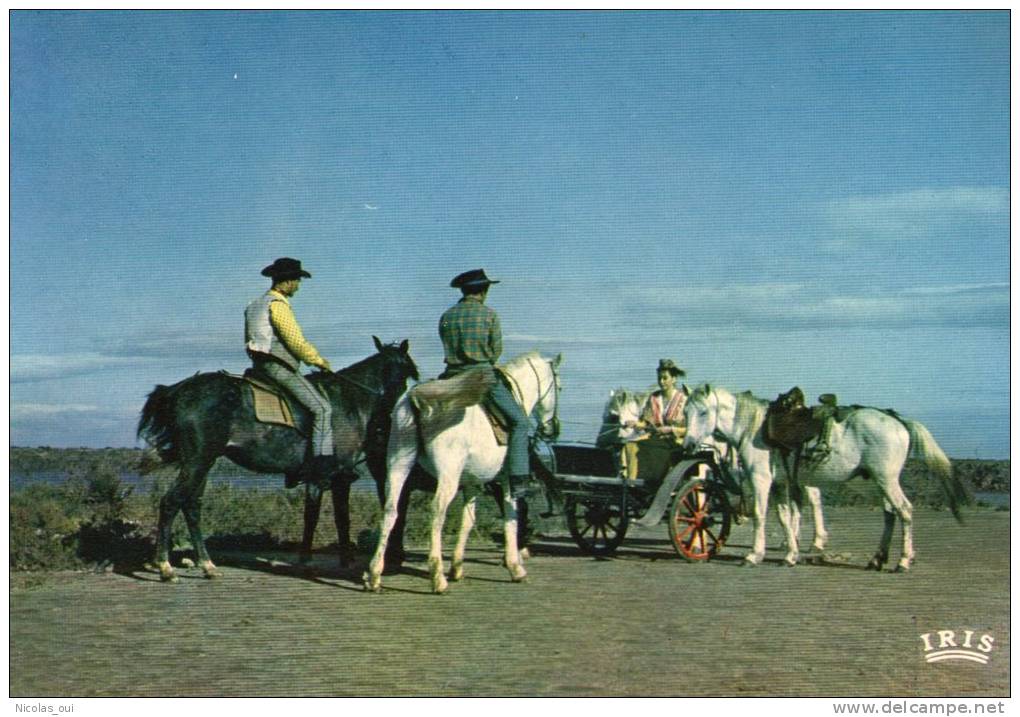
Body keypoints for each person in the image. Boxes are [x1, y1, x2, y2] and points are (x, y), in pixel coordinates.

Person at [439, 268, 531, 499]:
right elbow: (495, 352)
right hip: (481, 377)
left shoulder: (447, 316)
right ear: (483, 290)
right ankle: (519, 479)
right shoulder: (489, 315)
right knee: (520, 422)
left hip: (450, 377)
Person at [245, 257, 335, 485]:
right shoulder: (278, 305)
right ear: (286, 282)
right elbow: (295, 341)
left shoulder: (254, 305)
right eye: (297, 280)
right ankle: (321, 468)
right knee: (323, 409)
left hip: (258, 367)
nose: (298, 285)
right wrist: (318, 361)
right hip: (277, 367)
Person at [622, 359, 688, 482]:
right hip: (656, 438)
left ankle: (655, 480)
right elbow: (646, 423)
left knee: (656, 449)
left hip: (676, 441)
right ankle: (632, 481)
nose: (661, 382)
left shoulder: (684, 400)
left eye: (665, 378)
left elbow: (691, 429)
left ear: (673, 379)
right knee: (630, 444)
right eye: (659, 379)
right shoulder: (654, 398)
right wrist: (635, 424)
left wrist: (671, 429)